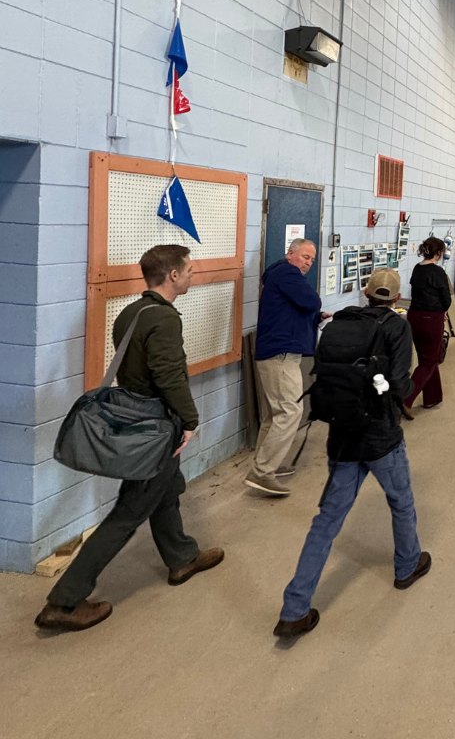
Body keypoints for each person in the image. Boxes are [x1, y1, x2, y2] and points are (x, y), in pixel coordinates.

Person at [34, 245, 224, 633]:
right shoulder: (165, 319)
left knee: (166, 490)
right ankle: (65, 602)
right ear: (172, 275)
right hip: (157, 427)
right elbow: (169, 375)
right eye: (188, 270)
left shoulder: (131, 312)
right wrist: (189, 419)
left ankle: (182, 557)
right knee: (127, 514)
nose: (191, 275)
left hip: (141, 419)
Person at [274, 270, 430, 638]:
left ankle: (294, 608)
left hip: (341, 435)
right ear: (396, 298)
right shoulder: (396, 328)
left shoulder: (342, 321)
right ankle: (407, 565)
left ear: (365, 292)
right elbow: (400, 383)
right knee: (401, 501)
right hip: (380, 436)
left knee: (326, 521)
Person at [247, 238, 328, 497]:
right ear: (290, 254)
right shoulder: (286, 273)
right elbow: (311, 301)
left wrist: (317, 318)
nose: (308, 263)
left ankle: (265, 464)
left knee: (276, 414)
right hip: (280, 356)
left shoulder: (281, 276)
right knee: (291, 411)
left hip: (277, 353)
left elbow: (299, 309)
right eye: (305, 256)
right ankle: (262, 473)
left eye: (312, 259)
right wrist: (317, 309)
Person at [404, 237, 452, 414]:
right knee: (430, 361)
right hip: (431, 319)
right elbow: (446, 300)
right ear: (439, 253)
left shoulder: (417, 269)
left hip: (414, 316)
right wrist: (442, 310)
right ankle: (406, 400)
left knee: (427, 358)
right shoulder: (438, 272)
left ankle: (432, 398)